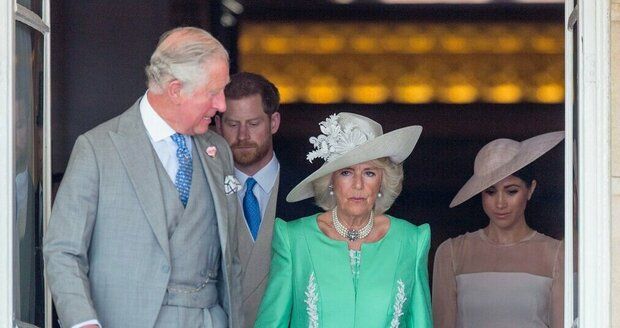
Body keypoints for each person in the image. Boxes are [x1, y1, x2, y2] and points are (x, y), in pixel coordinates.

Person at [43, 27, 243, 328]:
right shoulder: (98, 149)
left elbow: (231, 260)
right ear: (176, 90)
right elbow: (64, 251)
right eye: (213, 92)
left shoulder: (219, 152)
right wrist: (83, 322)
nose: (222, 105)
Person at [254, 112, 433, 327]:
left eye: (369, 173)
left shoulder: (412, 241)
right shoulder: (294, 240)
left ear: (382, 182)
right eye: (347, 172)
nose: (358, 185)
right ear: (331, 181)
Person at [432, 131, 565, 328]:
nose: (500, 203)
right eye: (490, 192)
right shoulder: (452, 253)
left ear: (531, 189)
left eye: (511, 191)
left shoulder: (556, 254)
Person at [215, 71, 282, 327]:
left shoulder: (311, 192)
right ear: (218, 125)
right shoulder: (203, 190)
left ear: (273, 122)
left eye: (254, 124)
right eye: (233, 124)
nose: (243, 136)